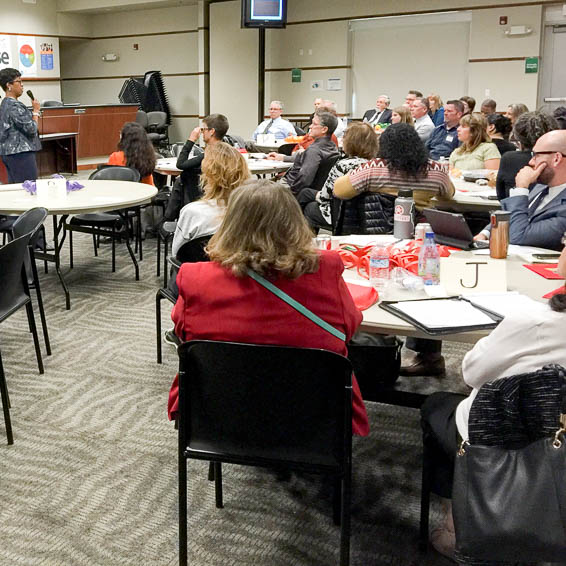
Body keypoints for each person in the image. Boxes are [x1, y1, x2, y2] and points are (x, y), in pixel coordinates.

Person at [167, 179, 370, 437]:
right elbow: (348, 328)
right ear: (295, 223)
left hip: (219, 413)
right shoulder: (325, 271)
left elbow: (182, 331)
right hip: (314, 417)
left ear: (230, 224)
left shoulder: (195, 279)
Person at [419, 245, 566, 559]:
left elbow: (472, 372)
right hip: (558, 440)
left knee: (436, 407)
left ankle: (456, 530)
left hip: (507, 442)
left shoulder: (535, 320)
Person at [475, 129, 566, 250]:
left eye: (536, 155)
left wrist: (521, 188)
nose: (531, 162)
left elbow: (519, 237)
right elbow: (512, 214)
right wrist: (485, 234)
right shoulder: (541, 187)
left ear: (556, 158)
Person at [334, 123, 454, 213]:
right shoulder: (437, 170)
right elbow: (448, 195)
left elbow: (339, 191)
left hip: (377, 227)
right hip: (419, 228)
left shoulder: (373, 168)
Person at [172, 142, 251, 258]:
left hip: (199, 273)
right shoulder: (253, 211)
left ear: (207, 176)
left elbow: (177, 255)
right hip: (241, 272)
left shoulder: (192, 212)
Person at [302, 121, 379, 231]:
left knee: (308, 205)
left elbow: (325, 196)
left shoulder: (342, 165)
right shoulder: (375, 165)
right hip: (368, 216)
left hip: (341, 215)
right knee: (306, 194)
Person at [164, 113, 228, 221]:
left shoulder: (208, 155)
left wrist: (191, 139)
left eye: (203, 130)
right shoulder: (227, 152)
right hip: (222, 200)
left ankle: (167, 221)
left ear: (212, 131)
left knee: (182, 178)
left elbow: (180, 164)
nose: (202, 133)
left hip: (199, 198)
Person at [496, 111, 558, 200]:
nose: (532, 161)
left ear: (518, 137)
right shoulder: (557, 158)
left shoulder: (510, 159)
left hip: (516, 208)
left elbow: (502, 197)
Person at [279, 110, 339, 196]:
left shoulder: (314, 150)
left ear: (324, 129)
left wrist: (291, 195)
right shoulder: (332, 146)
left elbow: (304, 178)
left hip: (291, 188)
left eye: (314, 124)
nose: (310, 126)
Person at [0, 67, 41, 183]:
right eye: (19, 81)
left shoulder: (4, 104)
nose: (22, 85)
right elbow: (32, 129)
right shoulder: (15, 106)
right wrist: (36, 112)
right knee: (29, 189)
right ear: (9, 85)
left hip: (10, 154)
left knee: (17, 189)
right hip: (21, 154)